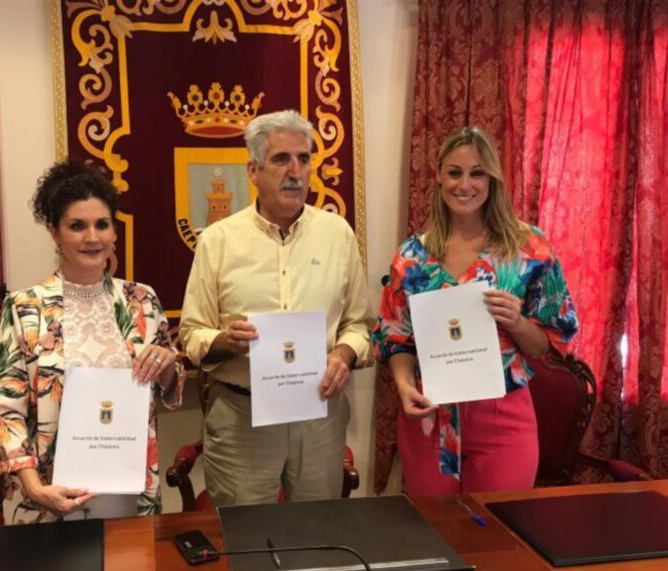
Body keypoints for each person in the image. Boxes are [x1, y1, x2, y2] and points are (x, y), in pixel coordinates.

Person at [179, 109, 372, 507]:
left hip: (318, 416)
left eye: (304, 158)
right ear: (253, 171)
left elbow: (360, 324)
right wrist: (224, 341)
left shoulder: (338, 235)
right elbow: (192, 334)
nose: (296, 171)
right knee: (247, 542)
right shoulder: (218, 240)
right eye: (281, 159)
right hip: (241, 418)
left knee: (318, 538)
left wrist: (345, 352)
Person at [372, 126, 578, 494]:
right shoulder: (411, 257)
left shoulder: (529, 249)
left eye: (477, 173)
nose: (464, 184)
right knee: (436, 530)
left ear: (493, 179)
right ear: (438, 176)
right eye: (454, 172)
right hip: (430, 415)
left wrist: (516, 321)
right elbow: (395, 338)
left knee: (499, 531)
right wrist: (404, 387)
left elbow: (545, 345)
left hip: (502, 414)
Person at [0, 159, 183, 524]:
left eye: (101, 225)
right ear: (54, 232)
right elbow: (4, 406)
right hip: (48, 494)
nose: (92, 238)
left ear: (113, 232)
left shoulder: (142, 300)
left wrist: (168, 365)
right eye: (77, 226)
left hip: (129, 492)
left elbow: (166, 390)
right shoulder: (25, 307)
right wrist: (32, 486)